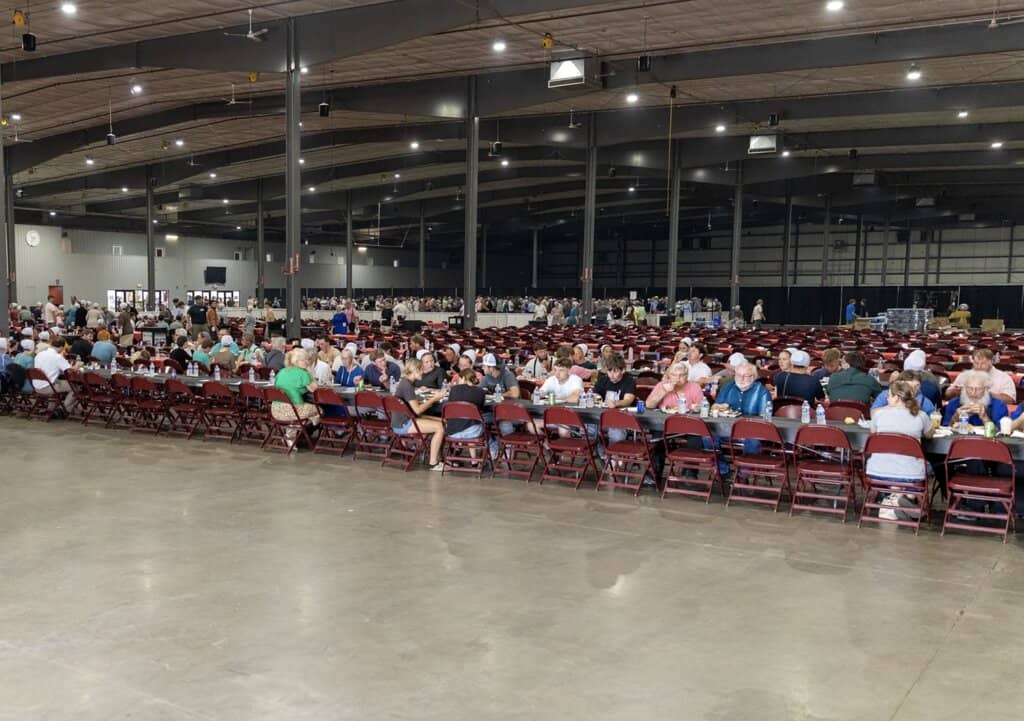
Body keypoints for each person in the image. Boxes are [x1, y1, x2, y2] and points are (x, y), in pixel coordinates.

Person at [867, 380, 934, 520]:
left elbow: (873, 434)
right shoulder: (921, 416)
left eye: (889, 396)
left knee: (893, 462)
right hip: (910, 474)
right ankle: (905, 498)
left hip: (877, 473)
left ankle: (897, 499)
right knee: (928, 467)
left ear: (897, 398)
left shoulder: (878, 415)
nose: (886, 398)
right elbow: (929, 434)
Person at [390, 359, 446, 471]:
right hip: (404, 423)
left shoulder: (405, 382)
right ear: (415, 370)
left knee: (443, 421)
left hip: (404, 419)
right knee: (440, 427)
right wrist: (434, 399)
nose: (423, 373)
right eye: (421, 370)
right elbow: (418, 411)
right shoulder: (407, 386)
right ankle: (433, 463)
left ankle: (439, 458)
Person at [271, 349, 321, 437]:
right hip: (292, 411)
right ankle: (296, 432)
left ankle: (292, 433)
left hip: (275, 410)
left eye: (308, 359)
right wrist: (310, 371)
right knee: (319, 410)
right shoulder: (303, 373)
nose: (308, 362)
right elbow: (315, 389)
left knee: (303, 412)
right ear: (297, 362)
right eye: (305, 360)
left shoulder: (281, 372)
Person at [945, 348, 1015, 405]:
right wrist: (955, 392)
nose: (979, 366)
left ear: (991, 361)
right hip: (965, 409)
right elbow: (947, 394)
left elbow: (1010, 400)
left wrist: (985, 393)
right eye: (976, 363)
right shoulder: (964, 375)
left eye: (983, 363)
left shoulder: (1003, 377)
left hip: (993, 411)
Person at [942, 370, 1007, 429]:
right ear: (964, 388)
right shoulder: (953, 403)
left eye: (978, 389)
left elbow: (1002, 435)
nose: (973, 393)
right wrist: (955, 417)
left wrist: (985, 418)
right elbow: (944, 432)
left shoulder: (999, 405)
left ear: (986, 389)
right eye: (970, 388)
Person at [32, 335, 76, 413]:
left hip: (36, 386)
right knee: (74, 388)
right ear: (62, 347)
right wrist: (78, 365)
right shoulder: (57, 357)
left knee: (56, 381)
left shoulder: (39, 354)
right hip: (48, 387)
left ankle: (51, 408)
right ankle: (64, 409)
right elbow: (70, 370)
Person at [871, 371, 936, 417]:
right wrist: (891, 406)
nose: (914, 389)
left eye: (917, 386)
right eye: (909, 386)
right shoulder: (886, 395)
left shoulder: (925, 402)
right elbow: (872, 414)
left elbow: (933, 421)